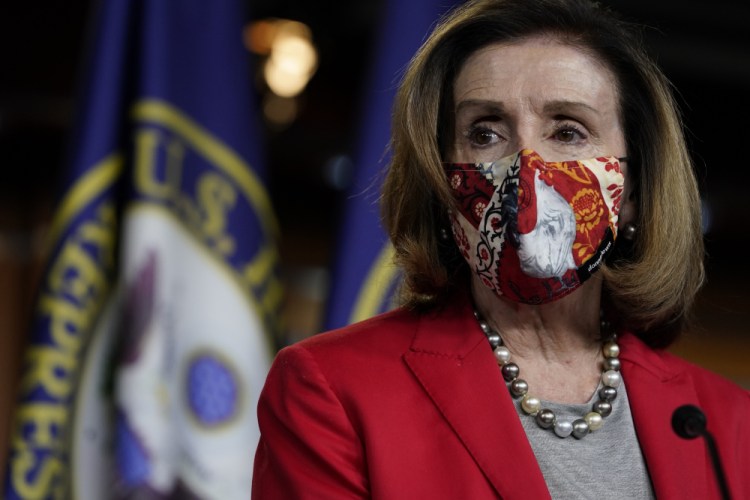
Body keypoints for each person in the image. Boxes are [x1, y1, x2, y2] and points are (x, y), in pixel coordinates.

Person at [252, 0, 750, 498]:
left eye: (568, 131)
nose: (526, 166)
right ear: (441, 181)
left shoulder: (726, 425)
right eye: (485, 132)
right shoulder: (333, 388)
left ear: (635, 192)